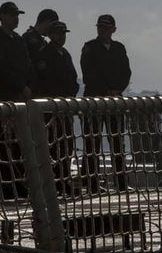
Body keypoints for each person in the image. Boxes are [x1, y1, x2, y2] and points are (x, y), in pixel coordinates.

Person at [80, 14, 131, 192]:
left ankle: (122, 183)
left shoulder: (119, 48)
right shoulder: (89, 48)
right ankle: (92, 184)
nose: (103, 30)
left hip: (115, 102)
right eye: (100, 27)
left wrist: (117, 90)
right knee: (92, 143)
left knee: (117, 143)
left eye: (106, 28)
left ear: (113, 30)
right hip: (94, 101)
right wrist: (106, 91)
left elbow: (126, 72)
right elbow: (88, 74)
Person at [35, 20, 79, 192]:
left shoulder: (65, 54)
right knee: (52, 146)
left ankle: (64, 178)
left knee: (66, 145)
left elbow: (73, 79)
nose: (61, 37)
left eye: (63, 34)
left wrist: (69, 97)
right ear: (51, 35)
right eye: (58, 33)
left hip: (65, 107)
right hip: (51, 109)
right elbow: (44, 81)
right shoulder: (44, 54)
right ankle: (54, 181)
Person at [0, 1, 34, 100]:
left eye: (17, 15)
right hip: (4, 97)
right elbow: (0, 69)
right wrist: (21, 87)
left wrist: (29, 86)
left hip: (22, 96)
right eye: (12, 15)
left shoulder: (18, 39)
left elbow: (28, 65)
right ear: (2, 16)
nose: (16, 18)